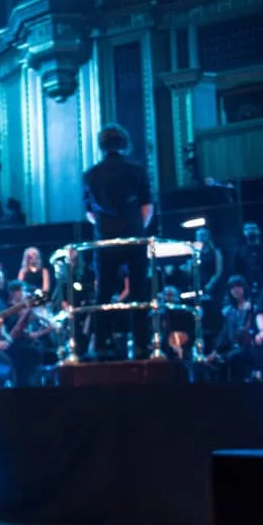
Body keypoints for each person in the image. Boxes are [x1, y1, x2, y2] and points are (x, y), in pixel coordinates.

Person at [82, 124, 154, 359]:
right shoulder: (137, 170)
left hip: (105, 238)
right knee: (140, 290)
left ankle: (101, 343)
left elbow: (90, 213)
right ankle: (142, 343)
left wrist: (105, 226)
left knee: (103, 291)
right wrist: (136, 228)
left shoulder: (91, 174)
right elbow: (147, 206)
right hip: (133, 235)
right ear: (124, 143)